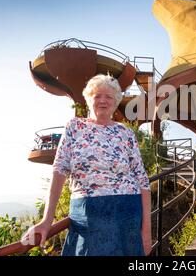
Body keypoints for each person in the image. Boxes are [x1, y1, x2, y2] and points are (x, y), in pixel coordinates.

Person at [21, 74, 152, 256]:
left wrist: (146, 232)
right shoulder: (75, 127)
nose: (103, 101)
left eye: (109, 97)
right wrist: (46, 220)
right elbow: (59, 170)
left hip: (127, 212)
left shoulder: (126, 133)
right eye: (97, 95)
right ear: (88, 99)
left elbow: (143, 181)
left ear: (115, 103)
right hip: (88, 214)